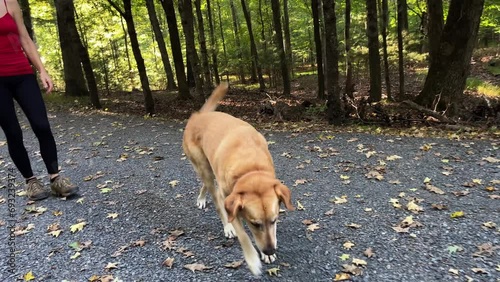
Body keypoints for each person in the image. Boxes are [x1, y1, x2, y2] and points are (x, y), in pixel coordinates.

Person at [0, 0, 78, 200]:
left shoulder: (10, 3)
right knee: (13, 133)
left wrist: (42, 70)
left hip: (22, 73)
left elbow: (25, 38)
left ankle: (55, 179)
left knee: (42, 125)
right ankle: (31, 181)